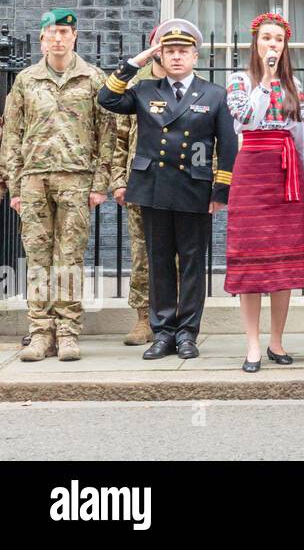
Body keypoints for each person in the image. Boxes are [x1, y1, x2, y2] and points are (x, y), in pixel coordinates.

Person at [97, 19, 237, 361]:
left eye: (183, 51)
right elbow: (106, 98)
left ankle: (188, 332)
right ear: (161, 54)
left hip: (194, 189)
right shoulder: (146, 90)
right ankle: (163, 333)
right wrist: (138, 61)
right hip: (153, 187)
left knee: (191, 263)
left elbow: (229, 146)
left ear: (194, 55)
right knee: (159, 262)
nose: (176, 57)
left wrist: (221, 192)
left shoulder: (214, 94)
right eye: (169, 51)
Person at [3, 9, 114, 362]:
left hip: (76, 179)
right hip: (34, 179)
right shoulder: (25, 80)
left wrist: (100, 183)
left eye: (65, 32)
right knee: (37, 258)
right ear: (41, 39)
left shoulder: (93, 79)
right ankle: (40, 332)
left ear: (75, 36)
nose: (58, 38)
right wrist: (14, 184)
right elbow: (11, 133)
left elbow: (106, 134)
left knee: (69, 258)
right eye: (51, 32)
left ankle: (67, 332)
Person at [223, 13, 304, 373]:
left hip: (286, 175)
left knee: (283, 260)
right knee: (251, 261)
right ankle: (251, 345)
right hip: (252, 171)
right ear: (256, 43)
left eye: (278, 39)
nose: (272, 45)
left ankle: (276, 340)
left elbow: (303, 138)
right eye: (266, 38)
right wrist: (264, 81)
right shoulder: (239, 81)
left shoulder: (293, 86)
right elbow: (243, 120)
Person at [108, 26, 165, 347]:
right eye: (160, 42)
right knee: (142, 254)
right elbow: (119, 137)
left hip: (180, 182)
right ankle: (144, 318)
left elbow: (209, 142)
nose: (165, 49)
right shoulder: (135, 84)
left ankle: (173, 318)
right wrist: (118, 180)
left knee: (177, 255)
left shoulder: (195, 85)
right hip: (138, 182)